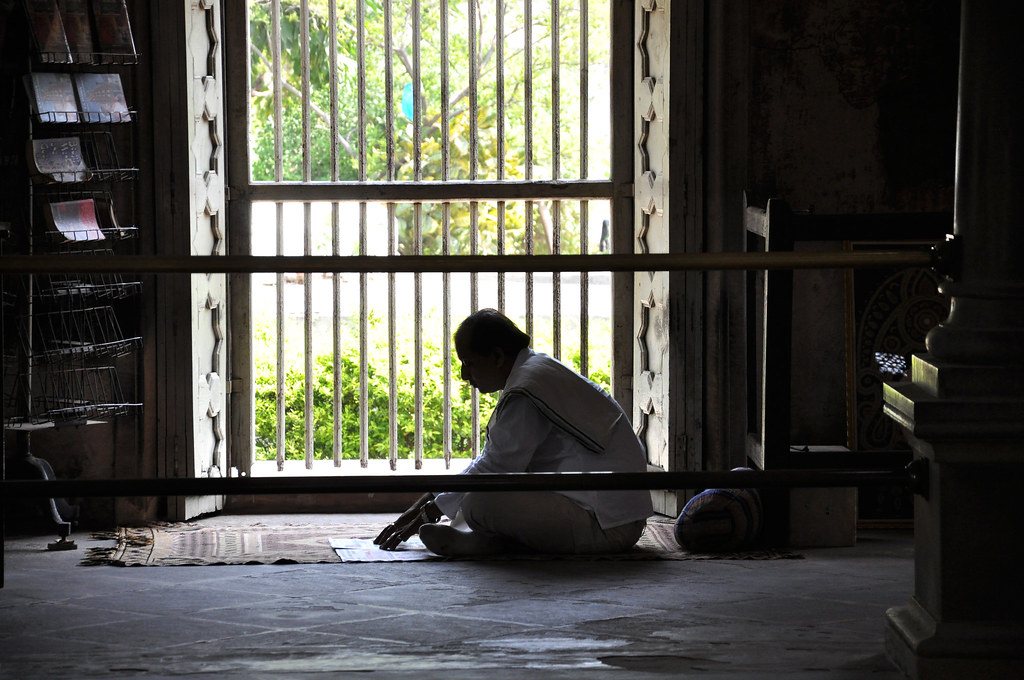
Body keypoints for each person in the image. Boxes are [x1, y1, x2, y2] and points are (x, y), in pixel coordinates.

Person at [375, 308, 653, 556]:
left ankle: (485, 546)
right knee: (469, 495)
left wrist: (429, 512)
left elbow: (493, 469)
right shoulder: (535, 372)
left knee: (478, 502)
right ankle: (484, 543)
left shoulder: (525, 391)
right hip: (609, 517)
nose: (463, 374)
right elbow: (488, 462)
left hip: (605, 526)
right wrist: (430, 500)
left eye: (469, 362)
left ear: (496, 356)